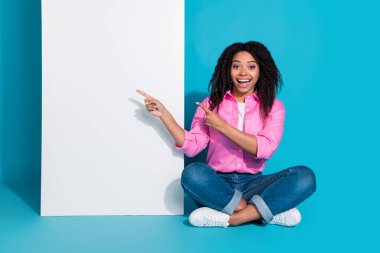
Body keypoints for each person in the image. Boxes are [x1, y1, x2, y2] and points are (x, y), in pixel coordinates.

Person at [137, 41, 316, 227]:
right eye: (236, 66)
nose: (243, 73)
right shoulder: (211, 103)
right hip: (216, 184)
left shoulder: (273, 106)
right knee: (192, 174)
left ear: (261, 71)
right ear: (227, 70)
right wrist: (164, 115)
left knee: (305, 176)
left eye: (251, 67)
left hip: (254, 183)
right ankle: (263, 212)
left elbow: (264, 149)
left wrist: (222, 126)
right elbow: (191, 146)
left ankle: (232, 218)